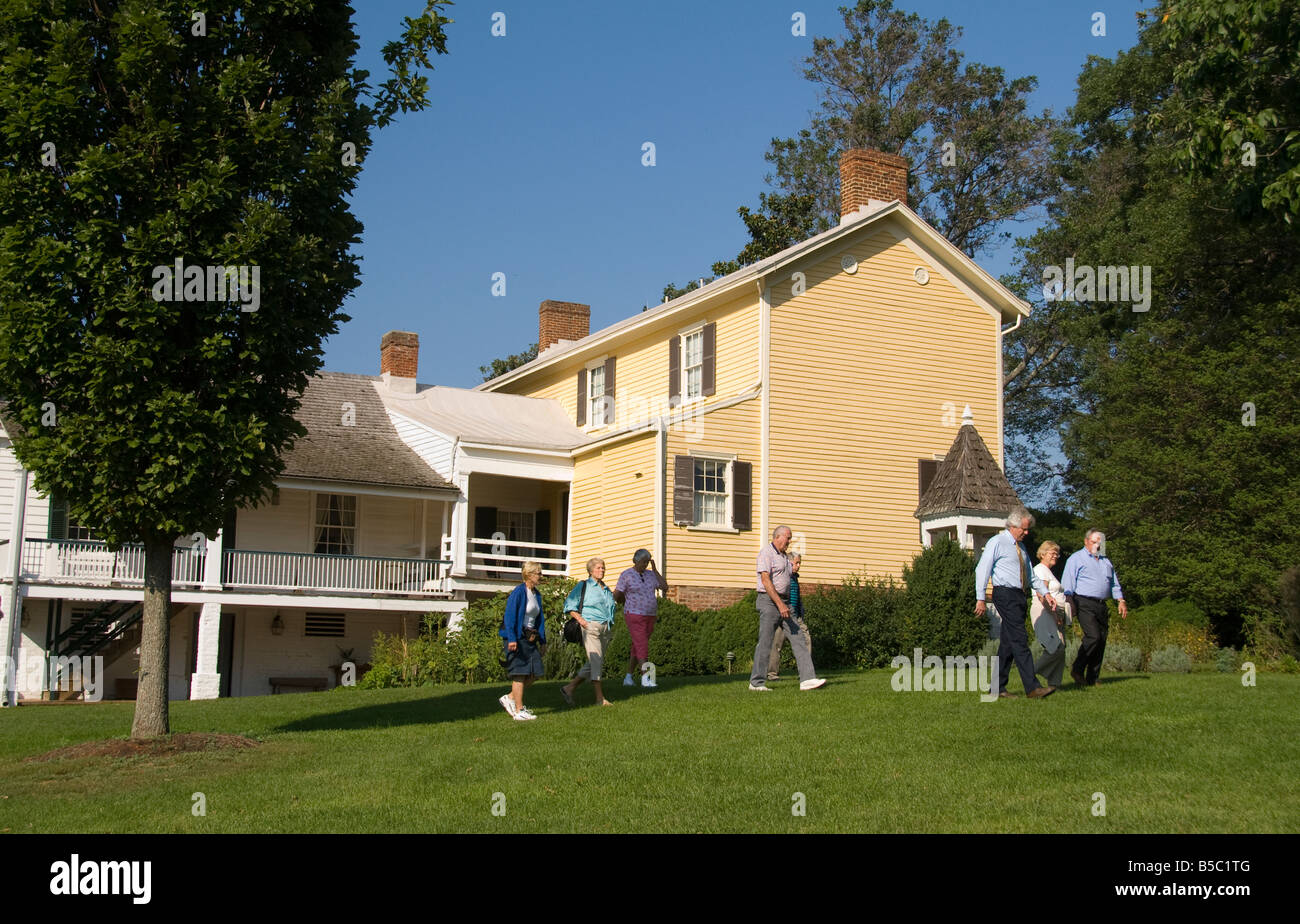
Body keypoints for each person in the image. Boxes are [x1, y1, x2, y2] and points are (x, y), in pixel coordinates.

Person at [973, 508, 1058, 699]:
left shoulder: (1022, 548)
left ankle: (997, 689)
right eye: (1024, 529)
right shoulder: (997, 542)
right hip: (1004, 594)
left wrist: (1046, 593)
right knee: (1020, 638)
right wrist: (980, 598)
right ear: (1013, 525)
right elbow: (982, 570)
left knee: (1008, 643)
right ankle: (1032, 688)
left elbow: (1031, 577)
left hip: (1020, 596)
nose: (1027, 533)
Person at [750, 526, 824, 692]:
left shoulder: (783, 557)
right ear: (778, 537)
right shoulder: (766, 553)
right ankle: (756, 683)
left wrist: (794, 566)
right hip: (769, 601)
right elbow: (766, 580)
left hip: (784, 602)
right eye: (788, 538)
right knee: (766, 642)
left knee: (798, 638)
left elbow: (788, 575)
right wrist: (780, 604)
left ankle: (807, 680)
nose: (789, 542)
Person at [1062, 529, 1127, 687]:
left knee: (1102, 639)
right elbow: (1067, 581)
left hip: (1101, 604)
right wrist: (1069, 600)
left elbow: (1113, 583)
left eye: (1100, 543)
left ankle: (1093, 677)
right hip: (1083, 602)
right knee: (1093, 636)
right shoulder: (1076, 559)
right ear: (1086, 541)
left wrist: (1120, 600)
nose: (1097, 546)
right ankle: (1077, 669)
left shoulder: (1106, 561)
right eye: (1094, 542)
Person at [560, 558, 618, 706]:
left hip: (605, 628)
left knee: (594, 662)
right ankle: (600, 699)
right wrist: (582, 621)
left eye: (603, 568)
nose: (602, 570)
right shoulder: (583, 585)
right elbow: (569, 605)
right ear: (591, 570)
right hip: (590, 626)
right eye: (599, 568)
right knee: (596, 660)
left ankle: (569, 688)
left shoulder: (605, 588)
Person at [498, 561, 546, 721]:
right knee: (519, 673)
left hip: (530, 638)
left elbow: (540, 619)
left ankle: (510, 697)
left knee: (535, 673)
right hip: (517, 638)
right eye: (538, 573)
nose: (541, 576)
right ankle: (519, 710)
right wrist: (512, 639)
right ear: (529, 574)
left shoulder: (536, 594)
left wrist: (543, 641)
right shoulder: (519, 592)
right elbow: (509, 616)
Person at [614, 548, 668, 688]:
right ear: (636, 560)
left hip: (650, 615)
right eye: (643, 562)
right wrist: (622, 601)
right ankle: (646, 678)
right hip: (634, 614)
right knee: (642, 644)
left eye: (647, 562)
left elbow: (664, 587)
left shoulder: (650, 575)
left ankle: (628, 677)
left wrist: (655, 570)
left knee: (637, 645)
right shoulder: (626, 575)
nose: (645, 565)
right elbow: (617, 594)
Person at [1029, 541, 1070, 688]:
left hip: (1053, 612)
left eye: (1057, 554)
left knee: (1061, 648)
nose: (1056, 556)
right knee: (1055, 647)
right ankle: (1030, 674)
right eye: (1052, 553)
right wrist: (1054, 615)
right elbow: (1042, 595)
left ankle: (1054, 684)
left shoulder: (1048, 571)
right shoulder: (1040, 570)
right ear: (1043, 554)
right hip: (1044, 611)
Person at [767, 553, 810, 681]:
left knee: (806, 639)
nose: (798, 566)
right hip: (784, 615)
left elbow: (797, 598)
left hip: (796, 616)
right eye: (796, 563)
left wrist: (800, 611)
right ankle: (772, 674)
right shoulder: (784, 576)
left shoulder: (795, 578)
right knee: (777, 644)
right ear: (789, 563)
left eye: (799, 563)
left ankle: (805, 672)